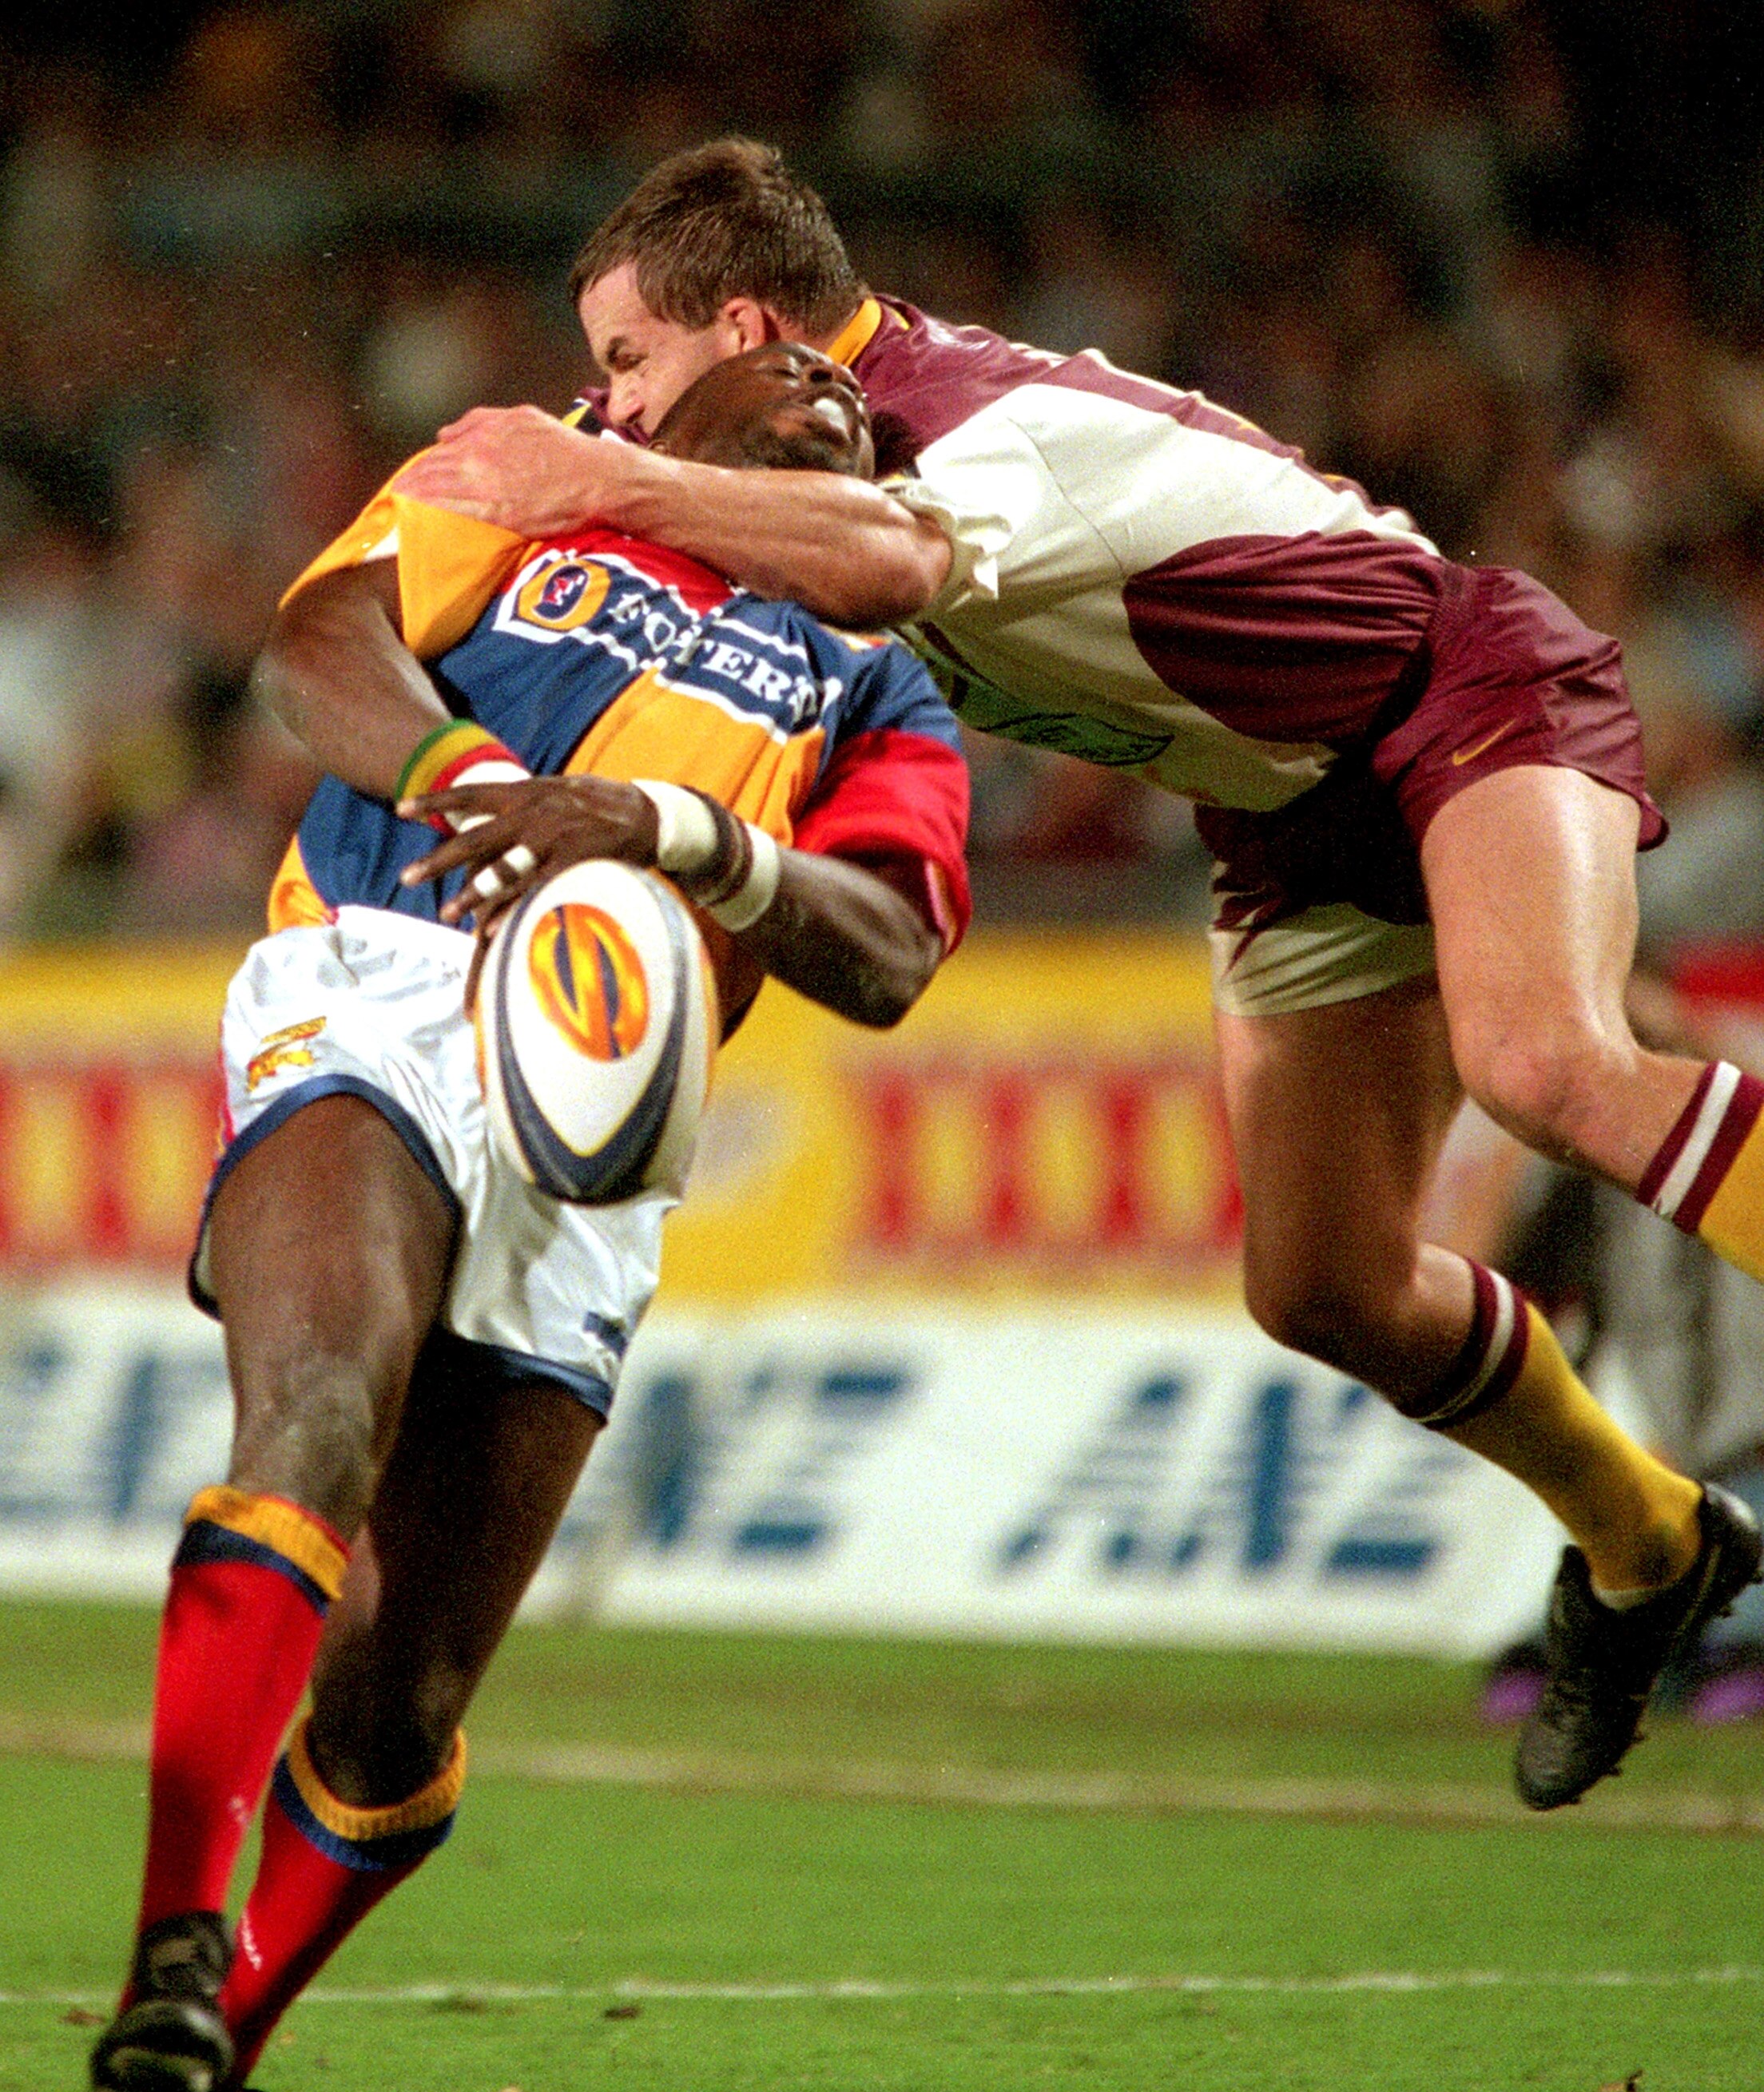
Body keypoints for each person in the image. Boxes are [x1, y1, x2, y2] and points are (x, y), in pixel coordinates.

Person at [394, 138, 1764, 1820]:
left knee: (1547, 1067)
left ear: (747, 321)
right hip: (1285, 818)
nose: (605, 411)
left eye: (625, 363)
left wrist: (593, 483)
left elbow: (892, 567)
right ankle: (1656, 1545)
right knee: (1321, 1284)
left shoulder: (980, 422)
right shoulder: (823, 451)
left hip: (1453, 690)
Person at [34, 343, 970, 2092]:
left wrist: (676, 838)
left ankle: (216, 2029)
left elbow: (886, 950)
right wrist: (487, 782)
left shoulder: (885, 684)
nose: (831, 401)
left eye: (860, 414)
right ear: (677, 394)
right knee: (313, 1414)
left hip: (607, 1110)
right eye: (784, 370)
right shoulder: (532, 484)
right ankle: (161, 1963)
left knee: (402, 1699)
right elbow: (316, 654)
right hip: (383, 971)